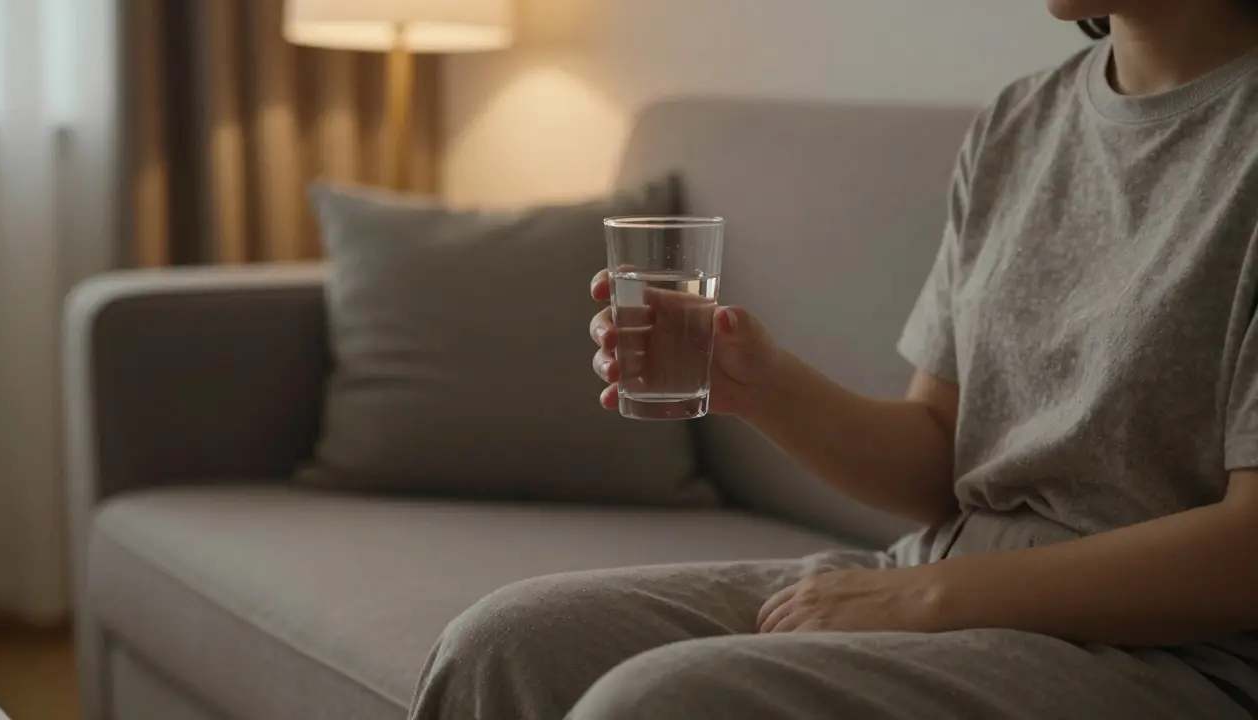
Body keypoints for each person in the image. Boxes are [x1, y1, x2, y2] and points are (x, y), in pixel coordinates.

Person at [408, 1, 1258, 717]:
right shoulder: (1021, 122)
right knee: (504, 647)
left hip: (1174, 653)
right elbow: (941, 456)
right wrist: (762, 385)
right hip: (950, 574)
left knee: (661, 705)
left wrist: (923, 601)